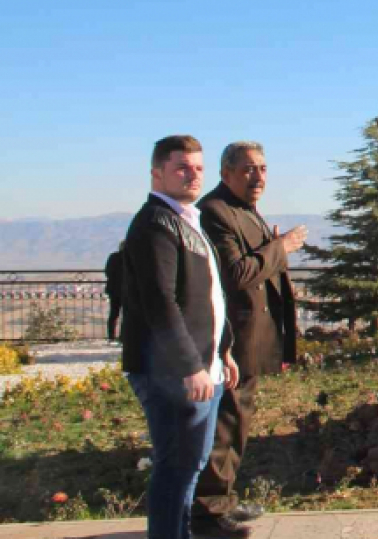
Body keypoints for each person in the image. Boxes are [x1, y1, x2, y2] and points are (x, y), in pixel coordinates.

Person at [121, 135, 239, 539]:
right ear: (157, 174)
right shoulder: (156, 224)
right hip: (172, 374)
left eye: (198, 168)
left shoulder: (186, 219)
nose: (193, 175)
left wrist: (222, 352)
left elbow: (206, 295)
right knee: (176, 469)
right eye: (182, 167)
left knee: (190, 465)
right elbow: (160, 302)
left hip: (203, 368)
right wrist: (190, 366)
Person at [192, 142, 306, 538]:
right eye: (247, 170)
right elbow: (236, 274)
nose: (258, 177)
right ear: (226, 174)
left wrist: (271, 246)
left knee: (237, 420)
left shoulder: (243, 209)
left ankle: (223, 500)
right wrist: (282, 247)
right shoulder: (215, 212)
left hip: (250, 340)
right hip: (232, 341)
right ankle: (207, 513)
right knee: (225, 421)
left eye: (262, 168)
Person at [104, 242, 125, 343]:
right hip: (126, 290)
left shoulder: (113, 257)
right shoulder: (130, 258)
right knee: (126, 314)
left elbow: (107, 272)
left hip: (113, 290)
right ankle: (123, 336)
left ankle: (111, 336)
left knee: (113, 313)